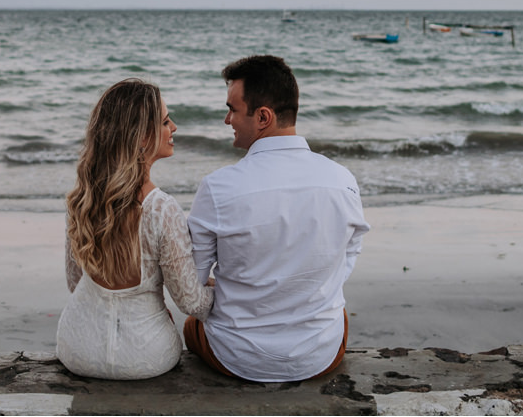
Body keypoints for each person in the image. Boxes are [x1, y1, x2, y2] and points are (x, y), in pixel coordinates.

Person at [185, 55, 370, 382]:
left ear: (263, 117)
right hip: (321, 354)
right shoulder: (342, 180)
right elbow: (348, 256)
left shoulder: (218, 187)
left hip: (236, 357)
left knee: (192, 327)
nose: (227, 120)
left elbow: (194, 283)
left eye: (232, 109)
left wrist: (234, 288)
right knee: (335, 308)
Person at [56, 79, 214, 380]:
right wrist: (230, 290)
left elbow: (75, 283)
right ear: (142, 138)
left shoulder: (81, 199)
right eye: (166, 121)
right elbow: (192, 304)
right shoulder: (162, 209)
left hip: (77, 347)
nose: (175, 127)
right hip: (146, 356)